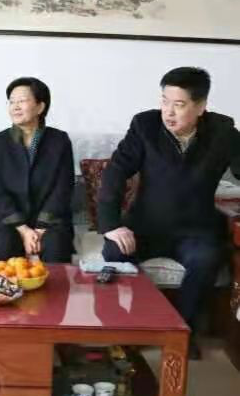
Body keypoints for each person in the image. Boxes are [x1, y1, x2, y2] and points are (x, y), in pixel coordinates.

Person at [98, 67, 240, 359]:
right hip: (146, 226)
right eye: (164, 101)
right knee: (114, 251)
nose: (168, 112)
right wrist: (111, 225)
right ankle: (137, 325)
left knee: (207, 259)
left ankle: (182, 332)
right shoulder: (145, 126)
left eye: (179, 104)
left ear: (200, 106)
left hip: (195, 230)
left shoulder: (223, 132)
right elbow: (115, 173)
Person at [0, 77, 75, 263]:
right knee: (4, 245)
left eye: (22, 101)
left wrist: (40, 229)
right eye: (12, 102)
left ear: (40, 107)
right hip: (8, 220)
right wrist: (23, 229)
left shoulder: (59, 141)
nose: (15, 107)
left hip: (51, 220)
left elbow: (63, 188)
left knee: (56, 247)